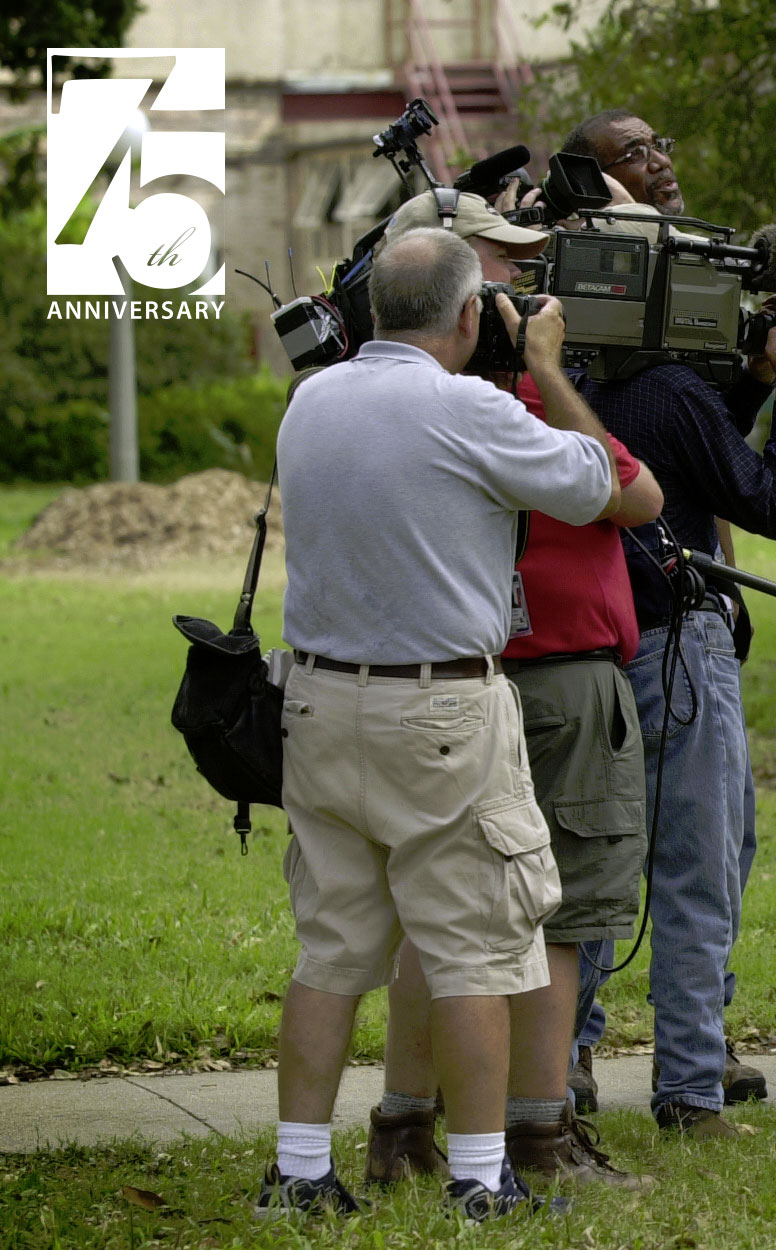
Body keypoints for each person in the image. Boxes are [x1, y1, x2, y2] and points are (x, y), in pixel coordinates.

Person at [261, 227, 616, 1219]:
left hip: (320, 700)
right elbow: (595, 482)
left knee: (330, 950)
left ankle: (296, 1170)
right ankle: (477, 1174)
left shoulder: (309, 400)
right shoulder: (465, 408)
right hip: (443, 705)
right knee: (472, 950)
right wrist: (540, 362)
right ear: (470, 316)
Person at [359, 193, 661, 1192]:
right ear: (451, 294)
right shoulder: (496, 400)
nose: (522, 294)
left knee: (433, 918)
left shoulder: (367, 398)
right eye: (500, 275)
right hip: (559, 679)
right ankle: (542, 1132)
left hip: (449, 683)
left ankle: (403, 1124)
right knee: (560, 912)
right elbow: (635, 496)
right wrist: (544, 368)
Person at [580, 300, 776, 1139]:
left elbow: (687, 459)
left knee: (585, 868)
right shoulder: (669, 388)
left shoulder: (548, 379)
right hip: (676, 643)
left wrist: (750, 385)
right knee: (699, 865)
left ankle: (563, 1064)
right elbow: (770, 504)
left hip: (578, 648)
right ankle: (692, 1089)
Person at [561, 110, 683, 215]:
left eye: (659, 145)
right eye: (636, 153)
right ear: (595, 184)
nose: (663, 162)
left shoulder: (692, 240)